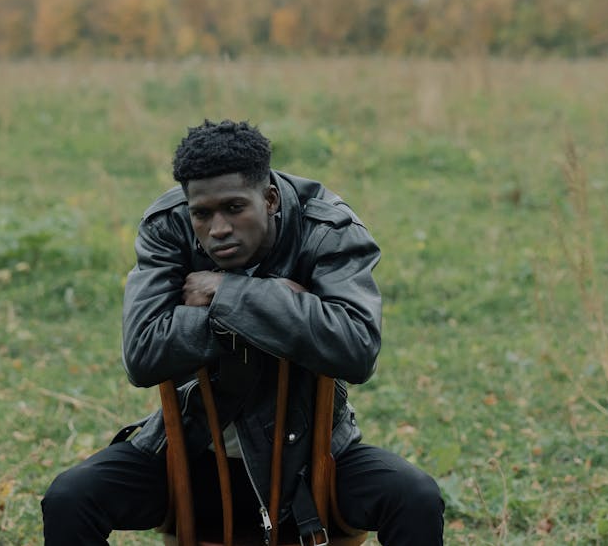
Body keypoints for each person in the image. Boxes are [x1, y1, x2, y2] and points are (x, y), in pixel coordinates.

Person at [42, 118, 444, 545]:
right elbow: (143, 353)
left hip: (309, 463)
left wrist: (230, 294)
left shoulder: (327, 228)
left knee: (415, 497)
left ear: (269, 198)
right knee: (70, 498)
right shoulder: (169, 226)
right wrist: (281, 306)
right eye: (203, 213)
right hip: (193, 453)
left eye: (234, 208)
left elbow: (355, 347)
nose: (217, 229)